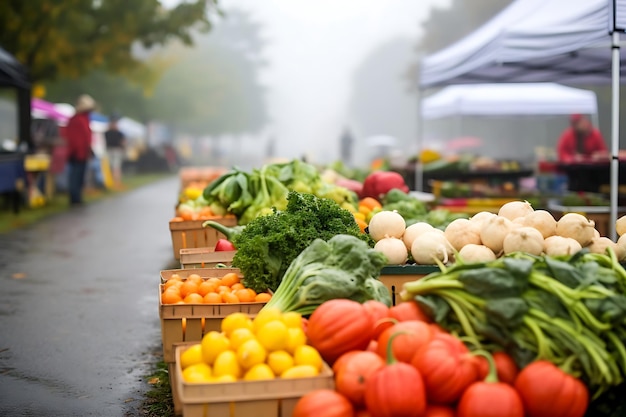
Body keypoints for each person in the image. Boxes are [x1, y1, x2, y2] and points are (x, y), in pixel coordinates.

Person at [65, 94, 96, 206]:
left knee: (77, 176)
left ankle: (76, 197)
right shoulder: (79, 120)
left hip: (78, 152)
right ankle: (75, 198)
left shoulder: (79, 119)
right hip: (78, 153)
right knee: (76, 176)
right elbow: (80, 138)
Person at [104, 115, 126, 189]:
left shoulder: (107, 133)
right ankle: (113, 182)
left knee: (115, 167)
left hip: (114, 150)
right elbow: (123, 143)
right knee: (114, 167)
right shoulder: (118, 133)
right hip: (113, 150)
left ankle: (115, 183)